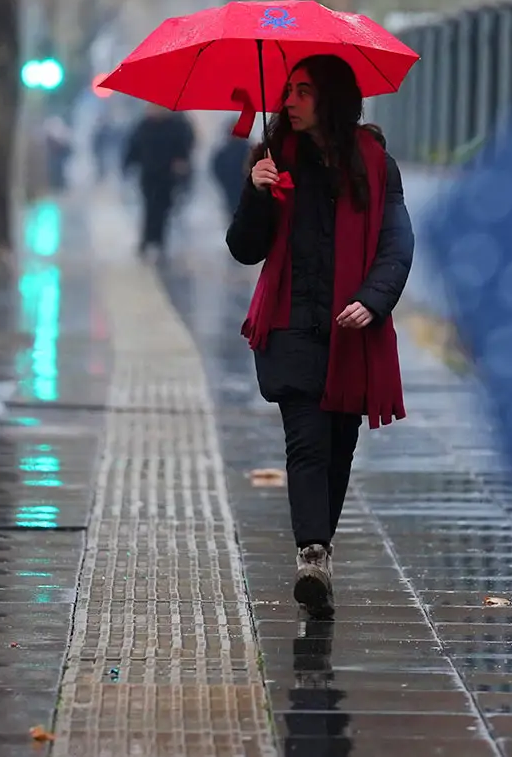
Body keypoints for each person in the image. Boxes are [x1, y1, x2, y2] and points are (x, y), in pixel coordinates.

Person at [226, 54, 414, 618]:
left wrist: (372, 301)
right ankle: (311, 553)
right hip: (290, 326)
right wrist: (257, 192)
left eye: (301, 91)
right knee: (306, 441)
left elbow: (396, 245)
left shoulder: (376, 163)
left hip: (349, 329)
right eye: (287, 91)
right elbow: (244, 248)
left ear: (330, 98)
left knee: (339, 448)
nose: (288, 101)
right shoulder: (272, 159)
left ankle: (319, 553)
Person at [122, 104, 196, 257]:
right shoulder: (143, 126)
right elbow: (133, 146)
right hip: (149, 174)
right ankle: (148, 239)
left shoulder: (177, 125)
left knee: (163, 208)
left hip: (167, 175)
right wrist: (128, 165)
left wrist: (182, 162)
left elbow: (186, 145)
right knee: (149, 207)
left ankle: (158, 240)